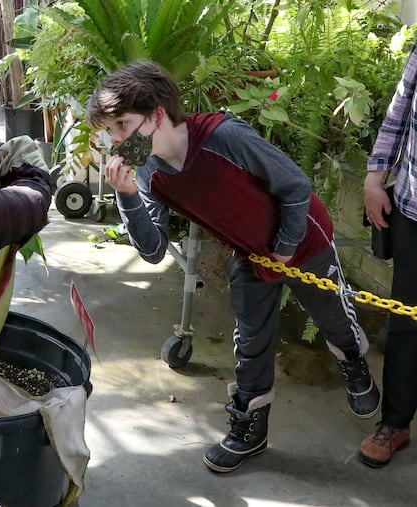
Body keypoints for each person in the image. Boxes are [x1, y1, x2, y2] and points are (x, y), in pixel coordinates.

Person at [86, 60, 380, 473]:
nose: (115, 139)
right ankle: (250, 429)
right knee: (251, 340)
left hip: (304, 237)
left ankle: (352, 359)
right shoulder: (149, 173)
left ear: (156, 115)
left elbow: (295, 186)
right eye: (110, 129)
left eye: (122, 124)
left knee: (332, 314)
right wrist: (128, 197)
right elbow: (152, 251)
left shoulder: (224, 137)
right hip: (250, 252)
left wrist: (284, 248)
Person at [360, 42, 417, 468]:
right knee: (406, 323)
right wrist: (374, 180)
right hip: (414, 211)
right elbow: (398, 115)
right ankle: (396, 424)